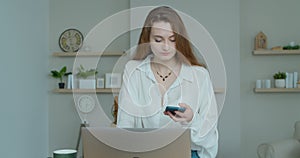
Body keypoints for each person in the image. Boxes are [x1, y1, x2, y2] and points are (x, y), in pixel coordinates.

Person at [117, 6, 218, 158]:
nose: (166, 47)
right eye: (158, 39)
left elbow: (210, 137)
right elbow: (125, 126)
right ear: (147, 40)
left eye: (172, 40)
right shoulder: (133, 71)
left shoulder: (200, 76)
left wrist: (191, 120)